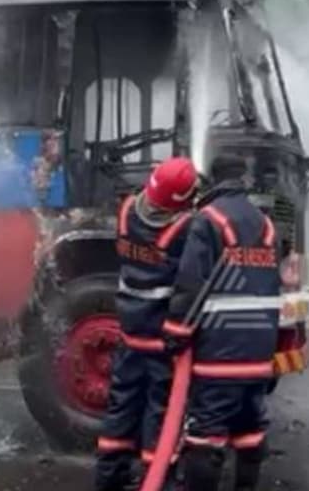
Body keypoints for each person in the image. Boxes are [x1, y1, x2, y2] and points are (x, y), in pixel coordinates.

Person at [165, 153, 280, 491]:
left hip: (220, 352)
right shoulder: (266, 224)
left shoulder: (208, 220)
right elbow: (269, 283)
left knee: (205, 438)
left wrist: (176, 334)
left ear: (211, 181)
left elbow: (190, 283)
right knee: (249, 433)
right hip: (258, 352)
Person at [95, 157, 199, 490]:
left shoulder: (126, 210)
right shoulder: (183, 229)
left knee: (120, 410)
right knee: (162, 416)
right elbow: (191, 280)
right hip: (161, 343)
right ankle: (158, 482)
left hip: (129, 334)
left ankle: (109, 479)